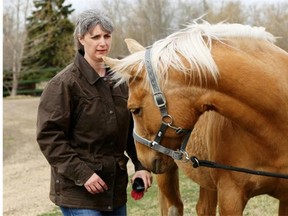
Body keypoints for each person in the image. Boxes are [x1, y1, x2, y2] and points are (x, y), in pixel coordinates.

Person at [36, 9, 152, 216]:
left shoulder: (120, 81)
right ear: (81, 39)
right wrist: (83, 174)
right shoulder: (63, 84)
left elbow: (130, 130)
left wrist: (141, 165)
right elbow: (49, 138)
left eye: (107, 36)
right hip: (79, 191)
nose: (103, 43)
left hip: (114, 189)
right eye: (95, 37)